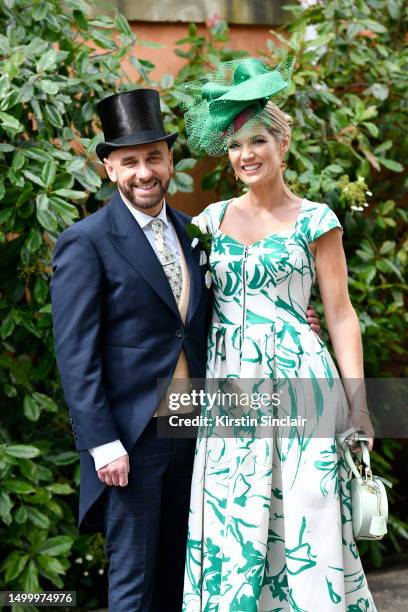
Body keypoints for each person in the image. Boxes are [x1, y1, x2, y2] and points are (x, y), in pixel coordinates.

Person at [50, 86, 321, 611]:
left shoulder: (193, 233)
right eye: (129, 162)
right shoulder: (86, 241)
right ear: (109, 169)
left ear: (170, 159)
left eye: (154, 157)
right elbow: (75, 354)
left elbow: (224, 309)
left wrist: (293, 315)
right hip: (131, 438)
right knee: (133, 582)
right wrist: (103, 444)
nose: (144, 172)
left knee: (186, 574)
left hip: (199, 427)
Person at [177, 57, 376, 611]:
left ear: (282, 144)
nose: (247, 155)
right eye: (236, 145)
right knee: (235, 515)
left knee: (309, 509)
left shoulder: (317, 220)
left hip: (303, 381)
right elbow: (186, 315)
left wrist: (358, 406)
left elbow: (340, 314)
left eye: (259, 141)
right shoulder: (209, 222)